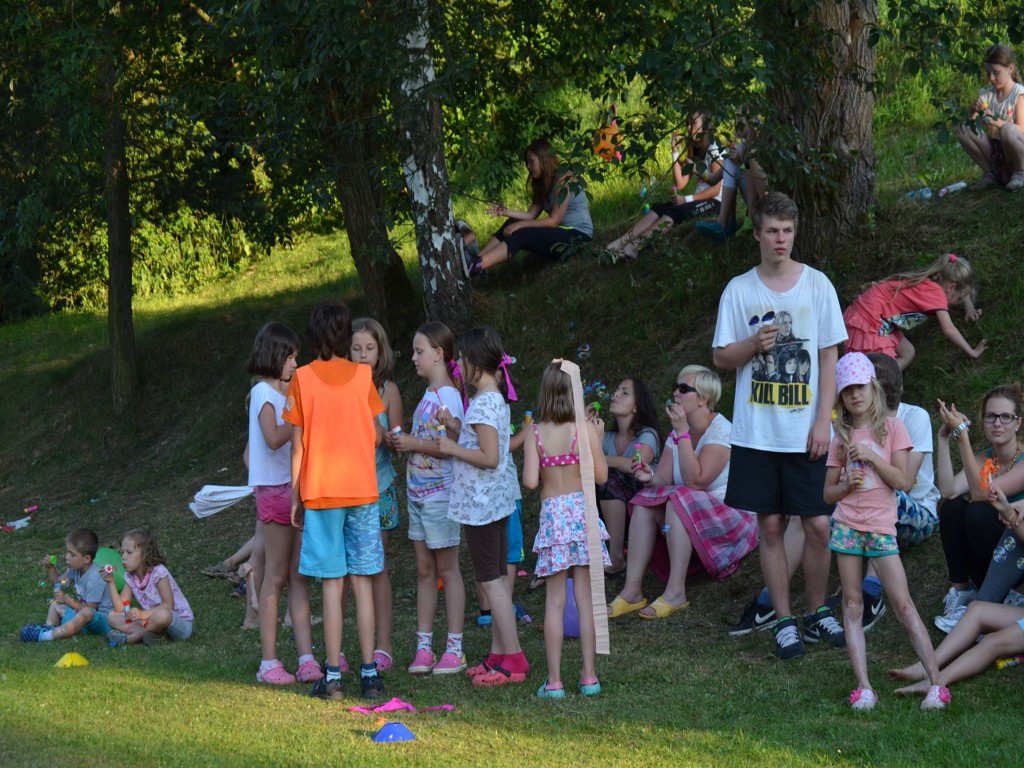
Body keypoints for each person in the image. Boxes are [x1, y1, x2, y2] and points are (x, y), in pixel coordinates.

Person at [712, 191, 847, 660]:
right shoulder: (739, 290)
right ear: (756, 234)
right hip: (756, 433)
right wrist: (754, 344)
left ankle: (817, 612)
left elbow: (829, 357)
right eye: (772, 231)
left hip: (806, 431)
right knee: (770, 526)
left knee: (818, 526)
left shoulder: (818, 285)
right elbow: (721, 357)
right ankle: (785, 621)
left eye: (788, 231)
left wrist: (824, 420)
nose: (781, 239)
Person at [824, 352, 947, 711]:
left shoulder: (893, 429)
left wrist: (872, 457)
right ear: (841, 397)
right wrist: (846, 484)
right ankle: (863, 687)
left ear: (874, 388)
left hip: (881, 528)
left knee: (904, 605)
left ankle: (936, 684)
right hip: (847, 527)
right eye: (847, 390)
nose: (855, 395)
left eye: (860, 387)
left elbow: (904, 481)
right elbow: (827, 494)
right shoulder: (840, 438)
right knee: (852, 605)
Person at [284, 299, 386, 701]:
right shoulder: (363, 376)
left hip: (321, 493)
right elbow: (376, 434)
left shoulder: (302, 378)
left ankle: (332, 677)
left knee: (331, 583)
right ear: (347, 336)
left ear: (313, 336)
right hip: (362, 491)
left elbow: (297, 446)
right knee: (362, 582)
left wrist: (295, 495)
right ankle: (370, 674)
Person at [607, 365, 757, 620]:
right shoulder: (678, 432)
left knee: (679, 499)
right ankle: (632, 591)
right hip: (692, 517)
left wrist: (682, 433)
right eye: (675, 387)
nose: (676, 393)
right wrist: (649, 476)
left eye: (684, 389)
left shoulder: (722, 430)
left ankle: (676, 592)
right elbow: (664, 479)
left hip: (731, 521)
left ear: (703, 398)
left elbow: (695, 481)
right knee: (644, 503)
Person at [438, 327, 529, 686]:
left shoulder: (483, 403)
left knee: (492, 584)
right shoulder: (493, 399)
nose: (458, 366)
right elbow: (486, 441)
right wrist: (455, 426)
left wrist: (452, 448)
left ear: (476, 362)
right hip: (494, 502)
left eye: (462, 359)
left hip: (482, 506)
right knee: (496, 580)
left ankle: (514, 660)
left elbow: (489, 457)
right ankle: (498, 655)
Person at [385, 321, 467, 676]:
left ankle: (455, 648)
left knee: (447, 570)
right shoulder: (431, 394)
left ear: (438, 354)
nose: (413, 358)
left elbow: (452, 446)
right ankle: (424, 647)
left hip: (440, 496)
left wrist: (412, 443)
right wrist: (403, 442)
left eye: (419, 351)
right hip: (418, 494)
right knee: (424, 570)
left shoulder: (449, 397)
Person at [524, 361, 610, 697]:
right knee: (585, 599)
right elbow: (601, 476)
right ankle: (589, 677)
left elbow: (531, 482)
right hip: (583, 514)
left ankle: (555, 681)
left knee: (555, 601)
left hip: (554, 518)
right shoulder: (584, 429)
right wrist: (597, 439)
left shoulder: (534, 432)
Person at [239, 322, 319, 683]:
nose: (295, 364)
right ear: (275, 356)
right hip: (274, 493)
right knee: (275, 576)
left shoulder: (284, 395)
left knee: (298, 575)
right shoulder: (262, 393)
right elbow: (273, 438)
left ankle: (306, 658)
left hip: (295, 489)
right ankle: (268, 662)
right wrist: (303, 418)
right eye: (291, 357)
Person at [933, 384, 1024, 633]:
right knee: (952, 508)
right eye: (990, 416)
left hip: (1018, 559)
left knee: (977, 511)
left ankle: (1001, 597)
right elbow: (948, 490)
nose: (997, 423)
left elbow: (983, 494)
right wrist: (943, 438)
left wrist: (962, 438)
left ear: (1018, 423)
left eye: (1006, 417)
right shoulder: (985, 458)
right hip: (992, 557)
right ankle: (962, 593)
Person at [349, 317, 403, 673]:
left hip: (379, 487)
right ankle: (341, 648)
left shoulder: (388, 391)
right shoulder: (341, 388)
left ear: (381, 352)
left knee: (377, 568)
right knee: (344, 572)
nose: (363, 354)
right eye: (356, 348)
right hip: (345, 490)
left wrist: (383, 431)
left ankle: (384, 645)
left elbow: (396, 440)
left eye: (370, 348)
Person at [465, 139, 593, 279]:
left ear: (543, 159)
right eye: (527, 162)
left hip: (578, 238)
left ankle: (478, 266)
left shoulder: (564, 178)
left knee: (521, 233)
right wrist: (505, 211)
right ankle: (475, 259)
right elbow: (530, 215)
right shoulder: (544, 183)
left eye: (531, 161)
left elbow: (554, 221)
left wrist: (520, 225)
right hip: (563, 233)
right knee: (513, 222)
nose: (528, 166)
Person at [606, 112, 723, 259]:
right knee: (659, 208)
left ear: (705, 126)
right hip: (698, 200)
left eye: (693, 123)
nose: (688, 128)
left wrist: (687, 199)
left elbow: (716, 189)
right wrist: (675, 153)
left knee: (674, 211)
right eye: (687, 124)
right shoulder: (694, 148)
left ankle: (634, 246)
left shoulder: (713, 148)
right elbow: (680, 183)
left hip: (715, 202)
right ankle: (619, 243)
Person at [842, 253, 985, 371]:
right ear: (951, 287)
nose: (958, 301)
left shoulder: (934, 284)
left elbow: (963, 289)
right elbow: (949, 329)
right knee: (880, 365)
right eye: (959, 298)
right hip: (870, 318)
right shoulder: (937, 294)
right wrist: (972, 352)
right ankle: (881, 383)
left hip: (876, 314)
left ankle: (884, 380)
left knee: (908, 352)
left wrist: (969, 309)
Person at [594, 378, 662, 576]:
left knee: (609, 477)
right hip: (611, 513)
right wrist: (590, 431)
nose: (615, 395)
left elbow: (635, 465)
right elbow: (583, 463)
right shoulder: (606, 438)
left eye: (624, 392)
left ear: (636, 406)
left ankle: (616, 558)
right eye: (616, 390)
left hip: (643, 512)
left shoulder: (647, 435)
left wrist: (600, 459)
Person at [103, 529, 194, 646]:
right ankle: (153, 635)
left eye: (129, 552)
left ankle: (131, 638)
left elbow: (168, 605)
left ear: (145, 555)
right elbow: (121, 608)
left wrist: (143, 614)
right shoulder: (131, 576)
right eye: (122, 552)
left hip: (178, 623)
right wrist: (111, 582)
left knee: (163, 615)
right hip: (151, 621)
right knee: (112, 616)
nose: (123, 557)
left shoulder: (158, 572)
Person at [21, 528, 114, 642]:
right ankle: (48, 629)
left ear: (86, 559)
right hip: (82, 618)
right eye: (67, 552)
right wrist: (51, 568)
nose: (66, 557)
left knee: (86, 612)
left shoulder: (94, 578)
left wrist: (67, 600)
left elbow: (91, 611)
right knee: (55, 605)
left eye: (72, 554)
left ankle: (49, 635)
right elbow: (58, 583)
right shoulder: (75, 569)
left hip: (102, 623)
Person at [956, 43, 1024, 191]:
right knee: (963, 129)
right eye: (988, 73)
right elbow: (973, 128)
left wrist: (997, 122)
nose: (991, 78)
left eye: (996, 73)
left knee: (1008, 130)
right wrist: (973, 112)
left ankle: (1020, 173)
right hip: (998, 155)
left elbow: (1021, 130)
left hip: (1018, 152)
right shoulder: (987, 95)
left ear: (1010, 68)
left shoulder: (1019, 93)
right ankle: (990, 174)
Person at [696, 110, 768, 241]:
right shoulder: (741, 146)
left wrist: (744, 154)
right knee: (730, 161)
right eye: (735, 120)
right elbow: (713, 179)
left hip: (765, 202)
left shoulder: (761, 146)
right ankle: (725, 223)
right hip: (753, 201)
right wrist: (695, 170)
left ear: (752, 124)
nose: (735, 125)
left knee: (748, 159)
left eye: (739, 121)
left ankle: (746, 220)